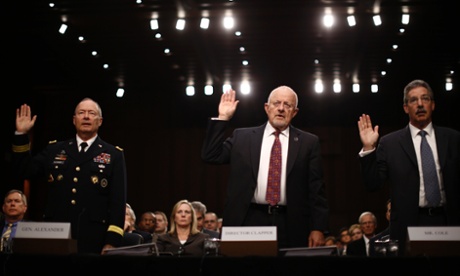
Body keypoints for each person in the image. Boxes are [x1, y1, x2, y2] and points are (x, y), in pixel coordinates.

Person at [202, 86, 329, 249]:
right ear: (267, 108)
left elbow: (317, 189)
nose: (281, 108)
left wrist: (318, 228)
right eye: (276, 103)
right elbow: (210, 155)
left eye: (287, 105)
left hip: (291, 222)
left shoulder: (308, 143)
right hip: (248, 220)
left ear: (295, 112)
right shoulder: (242, 137)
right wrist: (222, 118)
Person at [357, 79, 460, 256]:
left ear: (433, 104)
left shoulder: (453, 138)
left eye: (425, 99)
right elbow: (373, 184)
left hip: (448, 220)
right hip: (408, 224)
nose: (420, 104)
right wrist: (368, 149)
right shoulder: (390, 143)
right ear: (406, 107)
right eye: (413, 100)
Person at [11, 98, 127, 254]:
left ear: (100, 121)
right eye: (81, 113)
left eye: (91, 113)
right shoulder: (55, 150)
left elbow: (118, 202)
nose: (86, 117)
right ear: (74, 120)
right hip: (55, 236)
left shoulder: (113, 154)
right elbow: (25, 170)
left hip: (93, 239)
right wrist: (21, 134)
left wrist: (111, 242)